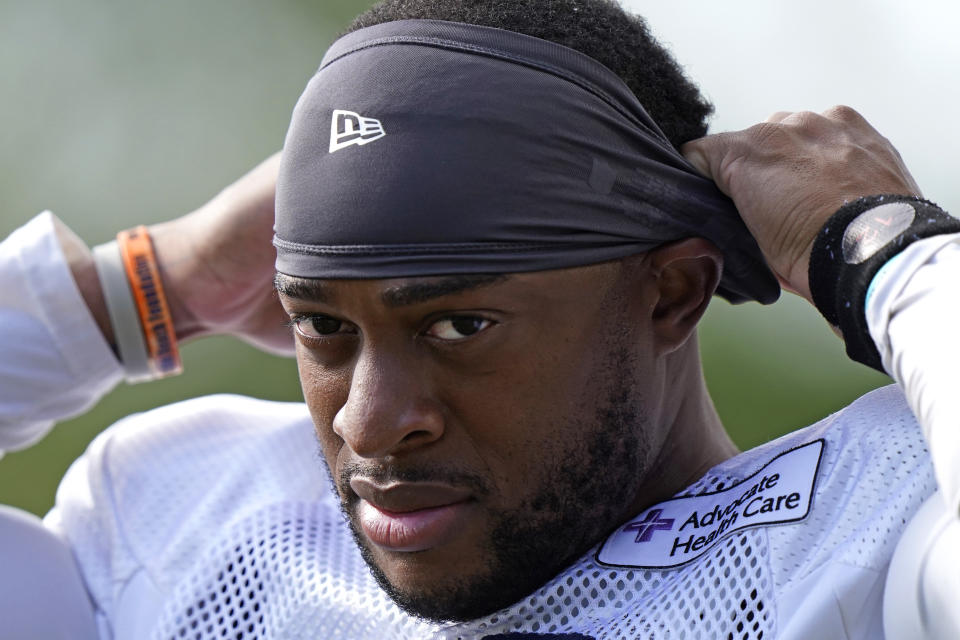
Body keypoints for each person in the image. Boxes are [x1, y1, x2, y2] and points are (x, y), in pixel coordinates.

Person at [1, 1, 958, 638]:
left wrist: (887, 251)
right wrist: (145, 290)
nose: (368, 424)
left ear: (671, 293)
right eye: (324, 327)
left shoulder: (868, 547)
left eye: (460, 327)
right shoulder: (194, 531)